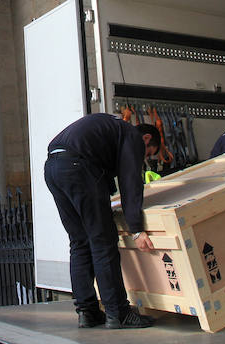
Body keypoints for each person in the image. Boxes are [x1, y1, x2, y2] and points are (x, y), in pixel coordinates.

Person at [44, 113, 159, 330]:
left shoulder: (109, 130)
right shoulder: (132, 136)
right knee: (103, 240)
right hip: (78, 167)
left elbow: (106, 174)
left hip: (53, 167)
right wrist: (136, 229)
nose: (143, 160)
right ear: (145, 139)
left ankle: (87, 312)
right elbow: (130, 181)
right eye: (148, 154)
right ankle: (118, 313)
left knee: (80, 242)